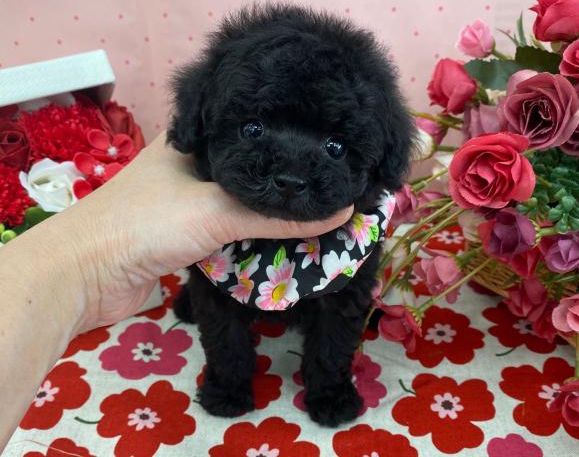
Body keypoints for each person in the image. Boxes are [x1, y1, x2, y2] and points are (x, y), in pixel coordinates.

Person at [0, 132, 353, 450]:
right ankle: (228, 380)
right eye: (253, 130)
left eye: (334, 145)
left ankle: (328, 386)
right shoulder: (198, 223)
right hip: (225, 269)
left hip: (327, 264)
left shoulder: (357, 244)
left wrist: (331, 384)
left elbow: (344, 312)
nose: (291, 174)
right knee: (215, 299)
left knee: (338, 310)